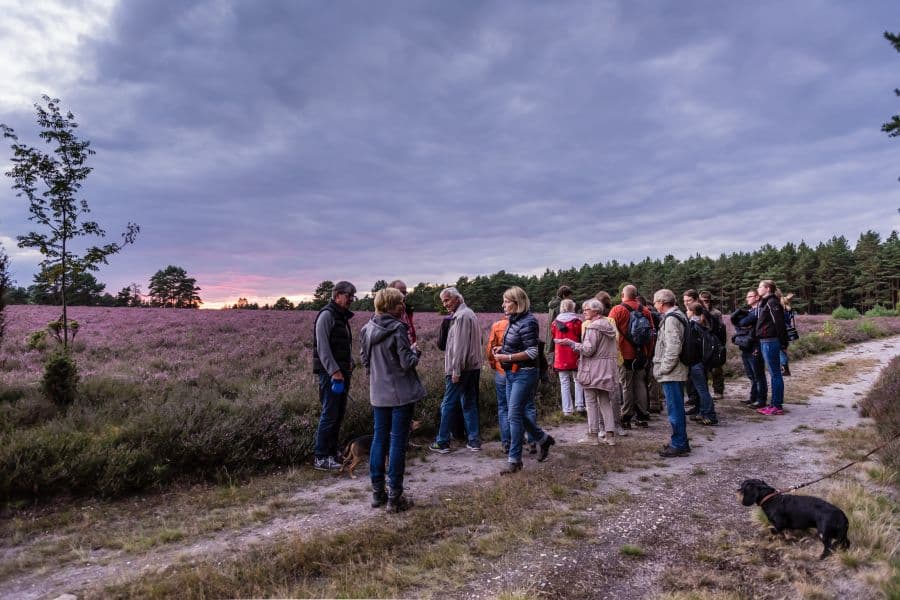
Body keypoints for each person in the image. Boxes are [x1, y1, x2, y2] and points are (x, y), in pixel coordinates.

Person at [359, 288, 425, 512]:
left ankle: (378, 493)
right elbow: (407, 363)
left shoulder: (366, 329)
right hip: (401, 395)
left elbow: (364, 360)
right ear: (387, 306)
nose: (403, 307)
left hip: (378, 394)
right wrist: (416, 352)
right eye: (399, 304)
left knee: (379, 440)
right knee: (397, 443)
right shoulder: (398, 328)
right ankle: (395, 497)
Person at [491, 286, 556, 474]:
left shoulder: (529, 322)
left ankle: (515, 460)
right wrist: (502, 351)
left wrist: (507, 357)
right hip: (511, 373)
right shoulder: (514, 320)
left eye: (506, 301)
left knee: (513, 415)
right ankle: (543, 440)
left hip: (525, 374)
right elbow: (516, 345)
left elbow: (533, 352)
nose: (503, 304)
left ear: (517, 303)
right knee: (517, 413)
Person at [557, 298, 619, 445]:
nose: (584, 312)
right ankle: (610, 436)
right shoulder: (608, 325)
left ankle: (593, 436)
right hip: (607, 368)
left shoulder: (593, 328)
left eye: (587, 309)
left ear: (596, 311)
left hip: (593, 369)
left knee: (591, 402)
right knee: (605, 401)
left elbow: (588, 350)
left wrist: (572, 343)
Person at [429, 287, 483, 453]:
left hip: (460, 369)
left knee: (448, 404)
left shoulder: (460, 317)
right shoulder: (470, 314)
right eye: (443, 301)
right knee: (469, 402)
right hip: (473, 367)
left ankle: (442, 441)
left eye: (447, 300)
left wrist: (456, 370)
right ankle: (474, 440)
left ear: (458, 299)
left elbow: (459, 347)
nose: (445, 304)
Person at [312, 280, 357, 471]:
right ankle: (321, 456)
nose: (351, 300)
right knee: (329, 414)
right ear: (337, 294)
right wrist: (335, 371)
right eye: (349, 296)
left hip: (341, 373)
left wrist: (350, 361)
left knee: (338, 414)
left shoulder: (341, 317)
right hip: (331, 374)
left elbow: (342, 346)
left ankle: (332, 452)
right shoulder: (327, 315)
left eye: (352, 297)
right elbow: (323, 348)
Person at [487, 315, 538, 454]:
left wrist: (494, 364)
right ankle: (533, 441)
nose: (504, 305)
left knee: (504, 408)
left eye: (507, 302)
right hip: (520, 370)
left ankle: (507, 443)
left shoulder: (497, 325)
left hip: (504, 370)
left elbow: (490, 348)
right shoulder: (527, 323)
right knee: (528, 406)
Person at [608, 284, 654, 429]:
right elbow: (651, 335)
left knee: (626, 385)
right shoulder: (646, 310)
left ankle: (626, 416)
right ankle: (641, 416)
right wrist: (648, 353)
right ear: (636, 295)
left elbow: (609, 332)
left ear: (623, 295)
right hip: (641, 354)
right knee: (640, 383)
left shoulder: (617, 310)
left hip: (623, 354)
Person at [652, 289, 691, 457]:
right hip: (676, 370)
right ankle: (680, 441)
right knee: (676, 407)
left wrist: (663, 369)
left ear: (662, 302)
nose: (654, 305)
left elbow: (673, 347)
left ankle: (679, 444)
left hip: (672, 372)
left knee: (675, 408)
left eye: (655, 302)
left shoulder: (671, 320)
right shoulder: (679, 315)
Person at [755, 280, 788, 416]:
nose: (758, 289)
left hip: (771, 341)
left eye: (760, 287)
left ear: (767, 288)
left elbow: (779, 323)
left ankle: (777, 406)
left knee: (775, 374)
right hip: (765, 341)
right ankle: (773, 403)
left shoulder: (772, 303)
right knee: (773, 373)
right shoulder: (766, 302)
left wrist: (783, 343)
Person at [731, 289, 767, 409]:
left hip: (755, 346)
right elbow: (739, 322)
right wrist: (743, 323)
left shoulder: (759, 311)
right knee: (751, 375)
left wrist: (743, 323)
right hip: (746, 346)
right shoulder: (751, 311)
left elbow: (742, 322)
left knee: (758, 375)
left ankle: (761, 400)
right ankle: (753, 398)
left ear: (757, 297)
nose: (747, 299)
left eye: (749, 297)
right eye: (747, 297)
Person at [550, 298, 585, 415]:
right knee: (578, 380)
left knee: (564, 382)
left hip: (561, 356)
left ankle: (567, 410)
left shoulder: (555, 323)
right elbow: (581, 336)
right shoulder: (577, 322)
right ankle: (580, 405)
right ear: (572, 307)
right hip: (575, 354)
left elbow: (554, 336)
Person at [685, 302, 719, 425]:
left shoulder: (694, 326)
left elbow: (692, 346)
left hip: (696, 362)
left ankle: (710, 415)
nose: (686, 313)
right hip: (703, 362)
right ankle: (703, 412)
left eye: (688, 311)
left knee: (702, 390)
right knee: (702, 388)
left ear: (692, 312)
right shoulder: (703, 324)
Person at [699, 291, 726, 397]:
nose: (705, 303)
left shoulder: (716, 313)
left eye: (707, 301)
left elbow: (720, 329)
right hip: (702, 344)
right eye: (703, 301)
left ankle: (718, 391)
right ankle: (703, 393)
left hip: (715, 342)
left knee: (716, 369)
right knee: (702, 370)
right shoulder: (697, 312)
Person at [546, 285, 574, 373]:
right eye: (569, 296)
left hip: (552, 332)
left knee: (551, 351)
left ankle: (553, 373)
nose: (570, 298)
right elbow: (560, 320)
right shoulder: (559, 304)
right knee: (555, 353)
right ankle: (554, 375)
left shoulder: (553, 303)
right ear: (564, 295)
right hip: (557, 332)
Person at [682, 289, 701, 414]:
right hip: (691, 354)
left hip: (698, 355)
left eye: (689, 300)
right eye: (684, 301)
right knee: (692, 382)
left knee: (699, 385)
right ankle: (696, 405)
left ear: (695, 300)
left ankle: (703, 410)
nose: (686, 303)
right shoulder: (689, 313)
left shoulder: (699, 314)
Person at [389, 280, 417, 344]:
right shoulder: (384, 313)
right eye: (400, 292)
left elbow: (411, 333)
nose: (403, 296)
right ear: (390, 293)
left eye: (404, 293)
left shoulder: (407, 310)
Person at [780, 293, 796, 377]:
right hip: (788, 331)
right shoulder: (789, 309)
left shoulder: (783, 311)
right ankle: (785, 369)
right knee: (783, 350)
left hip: (783, 331)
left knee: (782, 350)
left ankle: (784, 369)